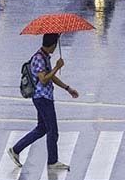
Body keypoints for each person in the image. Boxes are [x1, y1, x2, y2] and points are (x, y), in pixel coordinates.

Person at [9, 33, 78, 171]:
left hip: (44, 97)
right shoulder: (39, 58)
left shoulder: (45, 57)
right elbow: (44, 79)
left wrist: (67, 88)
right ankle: (52, 161)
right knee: (53, 130)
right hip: (42, 98)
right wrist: (57, 67)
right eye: (55, 44)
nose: (55, 47)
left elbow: (51, 77)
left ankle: (16, 149)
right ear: (52, 45)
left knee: (42, 128)